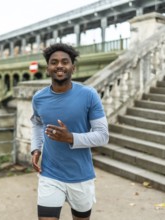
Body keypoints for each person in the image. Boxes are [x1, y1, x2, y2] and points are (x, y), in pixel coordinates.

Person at [30, 43, 109, 220]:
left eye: (65, 62)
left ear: (73, 68)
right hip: (50, 174)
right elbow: (36, 124)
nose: (59, 65)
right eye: (54, 62)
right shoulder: (38, 98)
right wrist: (36, 149)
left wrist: (71, 138)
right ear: (48, 68)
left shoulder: (89, 95)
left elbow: (103, 136)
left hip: (81, 176)